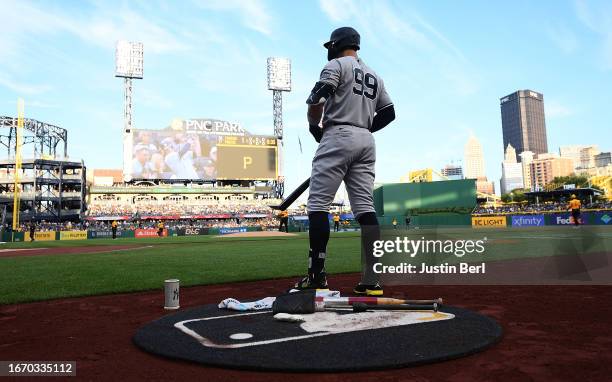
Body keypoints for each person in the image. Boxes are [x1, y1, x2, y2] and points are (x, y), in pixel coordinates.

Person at [294, 27, 395, 296]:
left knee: (318, 205)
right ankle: (372, 280)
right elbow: (389, 113)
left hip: (337, 133)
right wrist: (362, 129)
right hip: (366, 140)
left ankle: (317, 276)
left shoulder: (336, 65)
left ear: (336, 44)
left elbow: (318, 98)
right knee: (365, 208)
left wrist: (314, 125)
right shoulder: (375, 74)